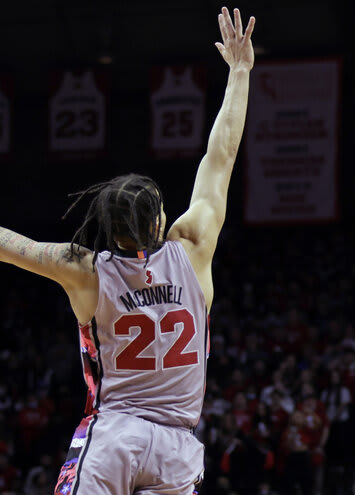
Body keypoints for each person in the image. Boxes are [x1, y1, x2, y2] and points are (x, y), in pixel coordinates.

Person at [0, 6, 254, 494]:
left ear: (109, 230)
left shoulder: (86, 271)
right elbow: (220, 154)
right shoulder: (195, 246)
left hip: (115, 435)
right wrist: (239, 73)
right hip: (178, 448)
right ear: (160, 219)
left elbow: (16, 248)